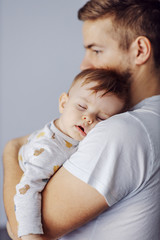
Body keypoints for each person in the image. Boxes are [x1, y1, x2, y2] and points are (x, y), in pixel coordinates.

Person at [3, 0, 160, 240]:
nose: (84, 64)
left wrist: (10, 150)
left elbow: (18, 228)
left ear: (139, 50)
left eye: (96, 50)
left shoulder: (123, 131)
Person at [9, 68, 129, 240]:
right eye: (82, 107)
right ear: (63, 103)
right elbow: (25, 190)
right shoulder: (48, 150)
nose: (88, 118)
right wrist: (31, 236)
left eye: (102, 118)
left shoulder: (75, 136)